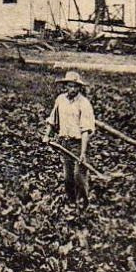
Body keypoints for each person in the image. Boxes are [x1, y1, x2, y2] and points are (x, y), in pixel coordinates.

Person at [44, 70, 96, 201]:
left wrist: (83, 152)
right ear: (65, 86)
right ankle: (71, 203)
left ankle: (84, 203)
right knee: (68, 177)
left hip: (78, 144)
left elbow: (85, 130)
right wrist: (47, 135)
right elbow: (53, 119)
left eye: (75, 86)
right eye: (69, 86)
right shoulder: (60, 100)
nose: (72, 89)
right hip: (64, 143)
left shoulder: (84, 104)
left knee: (79, 175)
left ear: (79, 88)